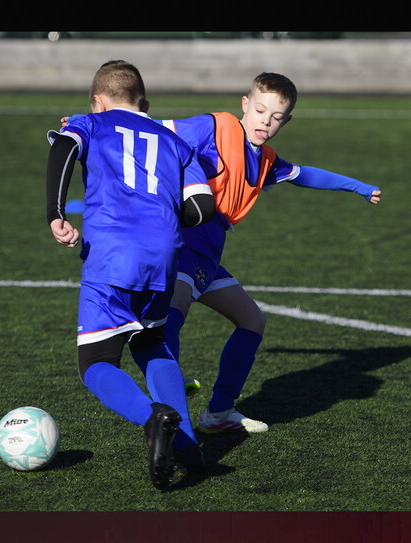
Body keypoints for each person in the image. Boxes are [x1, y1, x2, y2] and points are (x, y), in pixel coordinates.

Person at [154, 72, 383, 434]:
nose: (266, 120)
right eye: (260, 110)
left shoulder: (264, 160)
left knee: (252, 321)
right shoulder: (214, 127)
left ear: (286, 121)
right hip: (183, 242)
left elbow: (304, 174)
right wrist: (92, 125)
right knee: (173, 314)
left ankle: (218, 412)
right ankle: (167, 405)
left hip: (209, 253)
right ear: (245, 104)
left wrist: (356, 186)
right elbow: (147, 129)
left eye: (276, 117)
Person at [45, 60, 215, 488]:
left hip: (111, 255)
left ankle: (153, 418)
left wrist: (56, 213)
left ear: (98, 102)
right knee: (151, 341)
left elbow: (62, 149)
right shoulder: (172, 139)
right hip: (163, 257)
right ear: (146, 104)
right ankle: (188, 445)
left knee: (96, 363)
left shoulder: (92, 123)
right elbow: (201, 208)